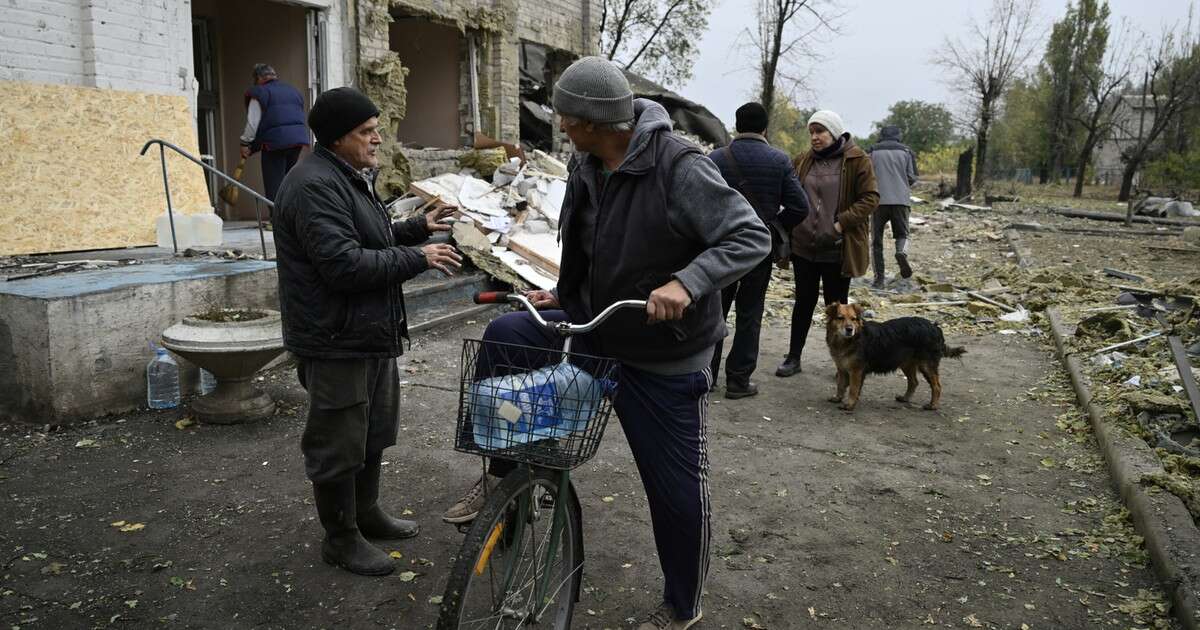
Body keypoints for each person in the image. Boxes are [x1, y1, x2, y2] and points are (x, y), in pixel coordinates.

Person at [442, 57, 770, 629]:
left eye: (568, 117)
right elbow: (592, 249)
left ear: (594, 120)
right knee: (507, 335)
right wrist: (564, 297)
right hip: (596, 330)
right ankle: (505, 485)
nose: (561, 125)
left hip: (664, 352)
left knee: (674, 491)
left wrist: (687, 282)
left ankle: (682, 605)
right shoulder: (587, 162)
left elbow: (750, 235)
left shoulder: (679, 167)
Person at [273, 87, 462, 577]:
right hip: (335, 337)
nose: (377, 138)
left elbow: (369, 235)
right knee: (338, 442)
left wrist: (419, 228)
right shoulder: (313, 185)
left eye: (375, 128)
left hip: (368, 331)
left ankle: (366, 512)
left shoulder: (345, 176)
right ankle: (340, 538)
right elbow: (343, 265)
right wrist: (419, 258)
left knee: (372, 430)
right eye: (366, 131)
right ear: (337, 138)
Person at [707, 102, 809, 398]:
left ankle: (707, 376)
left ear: (737, 125)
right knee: (750, 315)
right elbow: (799, 206)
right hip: (758, 250)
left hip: (720, 247)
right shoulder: (778, 160)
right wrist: (773, 227)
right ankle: (738, 382)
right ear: (765, 128)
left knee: (715, 313)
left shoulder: (715, 158)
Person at [776, 110, 879, 377]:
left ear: (834, 133)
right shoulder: (803, 160)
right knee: (803, 303)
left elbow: (870, 198)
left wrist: (840, 223)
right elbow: (789, 192)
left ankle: (843, 364)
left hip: (837, 249)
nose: (814, 137)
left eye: (820, 131)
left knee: (839, 310)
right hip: (803, 247)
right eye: (811, 132)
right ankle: (793, 358)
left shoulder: (857, 160)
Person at [240, 63, 310, 205]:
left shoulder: (259, 93)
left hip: (275, 143)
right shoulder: (293, 91)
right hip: (297, 141)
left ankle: (276, 219)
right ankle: (290, 217)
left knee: (274, 184)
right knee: (288, 182)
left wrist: (245, 143)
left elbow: (253, 123)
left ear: (259, 78)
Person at [867, 125, 919, 288]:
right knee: (902, 234)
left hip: (878, 202)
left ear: (881, 136)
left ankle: (879, 279)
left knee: (877, 242)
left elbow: (866, 175)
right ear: (898, 135)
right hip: (901, 200)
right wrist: (901, 183)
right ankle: (901, 252)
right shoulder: (906, 152)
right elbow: (912, 177)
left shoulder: (872, 151)